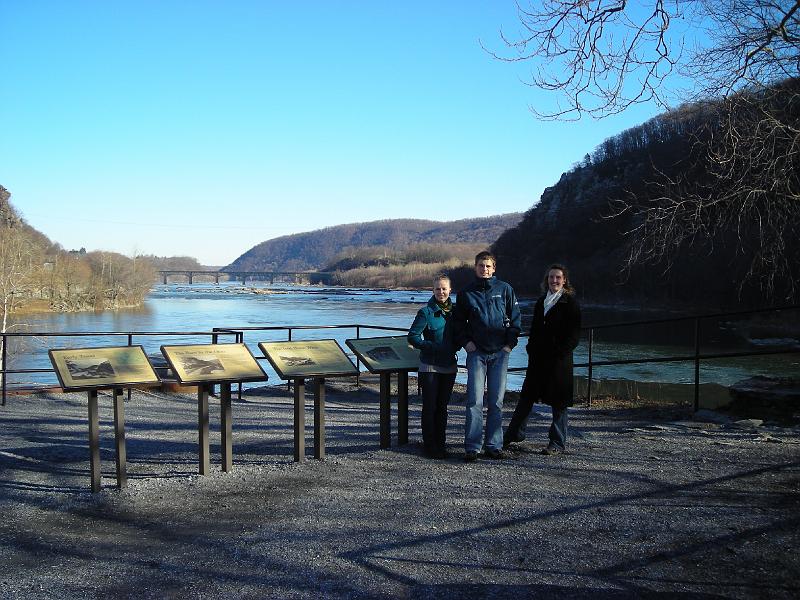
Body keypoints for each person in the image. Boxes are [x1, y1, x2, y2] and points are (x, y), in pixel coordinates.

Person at [504, 264, 581, 455]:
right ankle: (514, 434)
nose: (554, 281)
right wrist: (530, 348)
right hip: (538, 359)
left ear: (564, 281)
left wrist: (562, 352)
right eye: (551, 277)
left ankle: (557, 442)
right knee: (527, 397)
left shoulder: (569, 303)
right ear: (546, 280)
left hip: (558, 361)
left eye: (558, 278)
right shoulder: (541, 302)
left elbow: (574, 334)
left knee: (559, 402)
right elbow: (535, 329)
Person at [452, 251, 521, 462]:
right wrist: (466, 343)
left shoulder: (505, 289)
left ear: (494, 268)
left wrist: (509, 345)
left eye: (488, 266)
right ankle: (472, 447)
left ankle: (494, 445)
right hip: (477, 354)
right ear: (475, 267)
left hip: (500, 353)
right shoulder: (466, 293)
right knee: (474, 401)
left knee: (496, 401)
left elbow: (516, 319)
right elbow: (457, 323)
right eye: (481, 266)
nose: (485, 269)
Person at [407, 275, 458, 459]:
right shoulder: (425, 312)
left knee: (443, 407)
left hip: (449, 366)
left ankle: (441, 443)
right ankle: (429, 445)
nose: (441, 292)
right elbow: (413, 336)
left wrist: (456, 346)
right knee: (430, 407)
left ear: (450, 290)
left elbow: (460, 334)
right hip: (429, 366)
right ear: (433, 290)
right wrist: (432, 347)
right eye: (437, 289)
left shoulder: (455, 312)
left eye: (444, 289)